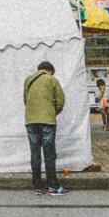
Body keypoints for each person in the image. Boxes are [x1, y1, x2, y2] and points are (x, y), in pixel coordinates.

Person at [23, 59, 69, 195]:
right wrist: (51, 112)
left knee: (35, 154)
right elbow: (60, 100)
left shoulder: (28, 80)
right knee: (49, 154)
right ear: (49, 71)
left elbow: (25, 100)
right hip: (47, 121)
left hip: (31, 120)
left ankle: (38, 187)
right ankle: (53, 187)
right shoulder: (51, 80)